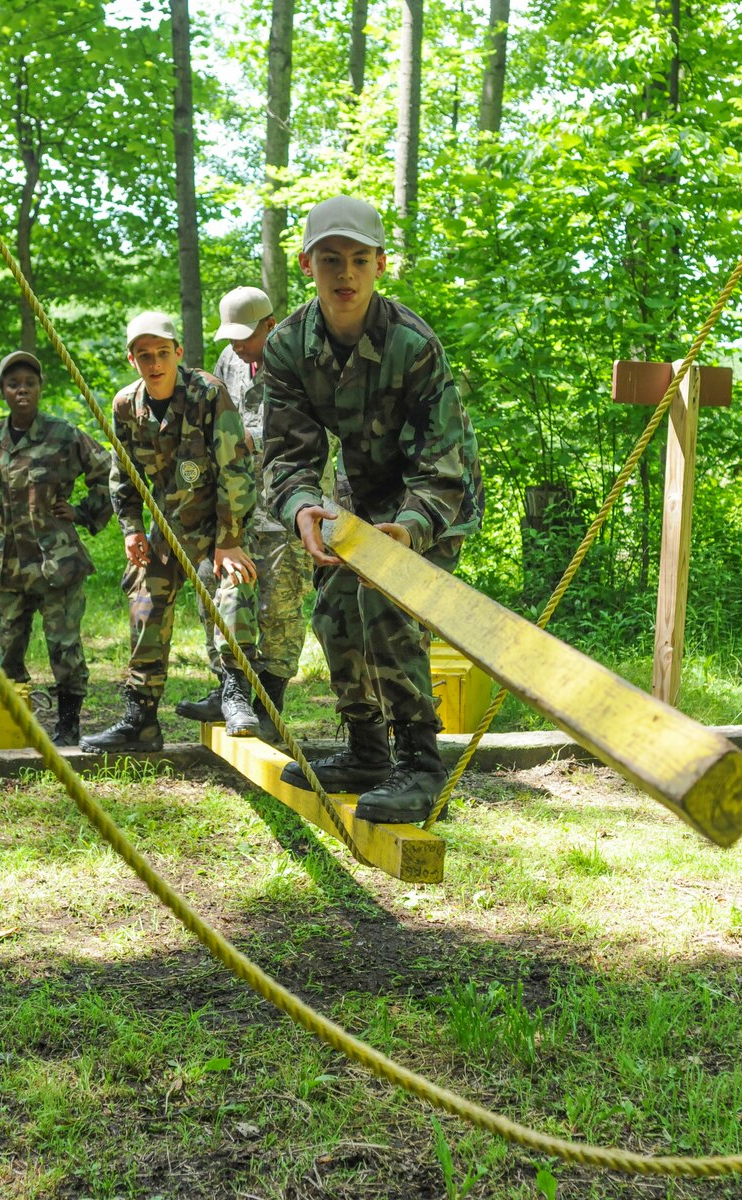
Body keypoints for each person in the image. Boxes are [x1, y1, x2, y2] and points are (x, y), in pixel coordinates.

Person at [262, 196, 483, 824]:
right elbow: (285, 455)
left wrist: (410, 529)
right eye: (331, 259)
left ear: (381, 265)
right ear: (308, 264)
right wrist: (304, 507)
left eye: (360, 259)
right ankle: (365, 750)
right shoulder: (287, 348)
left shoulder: (412, 344)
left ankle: (419, 763)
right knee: (334, 600)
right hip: (362, 491)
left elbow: (442, 463)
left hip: (435, 494)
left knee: (386, 596)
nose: (345, 274)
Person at [79, 313, 261, 754]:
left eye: (163, 353)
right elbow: (121, 475)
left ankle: (234, 693)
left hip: (216, 524)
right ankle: (140, 717)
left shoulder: (208, 394)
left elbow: (235, 469)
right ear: (132, 359)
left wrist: (230, 540)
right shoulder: (126, 405)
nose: (155, 363)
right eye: (145, 356)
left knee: (231, 588)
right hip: (164, 530)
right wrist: (130, 529)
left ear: (178, 353)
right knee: (144, 597)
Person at [175, 286, 314, 743]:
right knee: (221, 593)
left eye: (246, 335)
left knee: (282, 604)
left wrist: (250, 436)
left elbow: (318, 433)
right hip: (234, 503)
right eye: (231, 336)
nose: (237, 345)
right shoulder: (228, 364)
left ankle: (269, 702)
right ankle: (227, 689)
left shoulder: (300, 362)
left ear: (269, 326)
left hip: (289, 504)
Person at [0, 351, 112, 745]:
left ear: (40, 388)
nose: (22, 390)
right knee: (8, 649)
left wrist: (84, 512)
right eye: (13, 384)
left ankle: (68, 727)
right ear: (3, 390)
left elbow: (107, 472)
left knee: (64, 648)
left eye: (29, 383)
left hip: (58, 563)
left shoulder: (64, 434)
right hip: (10, 566)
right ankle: (13, 724)